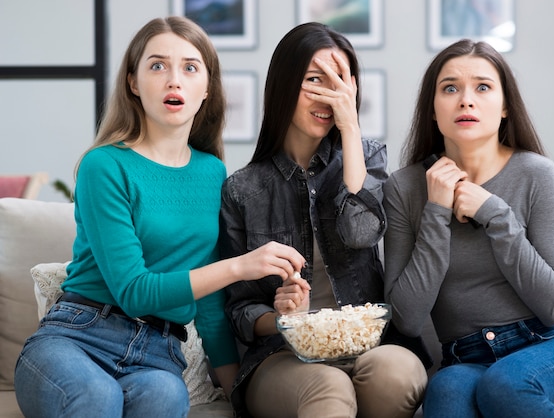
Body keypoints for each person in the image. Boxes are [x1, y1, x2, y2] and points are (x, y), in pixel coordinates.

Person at [13, 16, 304, 418]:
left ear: (206, 89)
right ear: (133, 83)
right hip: (78, 337)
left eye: (189, 67)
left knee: (165, 398)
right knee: (98, 398)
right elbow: (134, 290)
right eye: (157, 65)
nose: (174, 80)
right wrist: (239, 266)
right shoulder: (104, 166)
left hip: (157, 351)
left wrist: (239, 397)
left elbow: (207, 305)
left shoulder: (212, 173)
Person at [383, 38, 554, 418]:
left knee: (505, 385)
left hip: (551, 346)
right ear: (433, 110)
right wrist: (436, 211)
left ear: (504, 107)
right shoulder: (404, 187)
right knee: (446, 396)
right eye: (450, 88)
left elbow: (553, 306)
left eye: (482, 87)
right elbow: (407, 317)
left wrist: (496, 215)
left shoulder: (536, 174)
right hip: (465, 358)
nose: (465, 100)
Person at [219, 22, 429, 418]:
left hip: (368, 345)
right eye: (315, 80)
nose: (328, 96)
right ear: (283, 83)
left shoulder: (367, 158)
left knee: (399, 375)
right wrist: (280, 317)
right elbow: (239, 308)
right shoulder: (242, 190)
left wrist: (350, 128)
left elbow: (361, 231)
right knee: (329, 388)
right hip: (283, 357)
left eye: (340, 83)